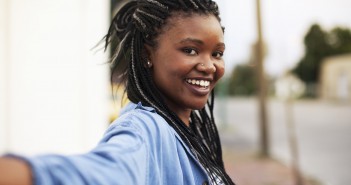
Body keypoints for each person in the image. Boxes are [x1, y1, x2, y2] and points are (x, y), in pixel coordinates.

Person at [0, 0, 235, 184]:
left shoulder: (189, 128)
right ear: (147, 55)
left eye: (217, 53)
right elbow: (105, 173)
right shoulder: (145, 128)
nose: (209, 66)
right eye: (191, 50)